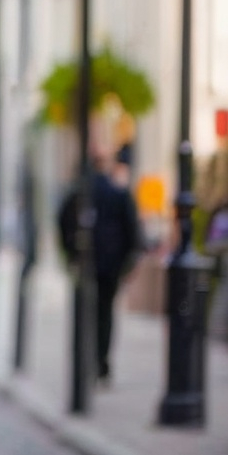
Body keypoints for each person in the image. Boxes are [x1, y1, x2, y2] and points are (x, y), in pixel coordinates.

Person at [58, 148, 143, 383]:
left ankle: (87, 359)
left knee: (86, 312)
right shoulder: (117, 192)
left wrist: (70, 255)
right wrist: (128, 260)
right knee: (105, 312)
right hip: (111, 264)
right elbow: (132, 228)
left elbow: (63, 224)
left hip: (86, 262)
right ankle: (101, 360)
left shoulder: (77, 193)